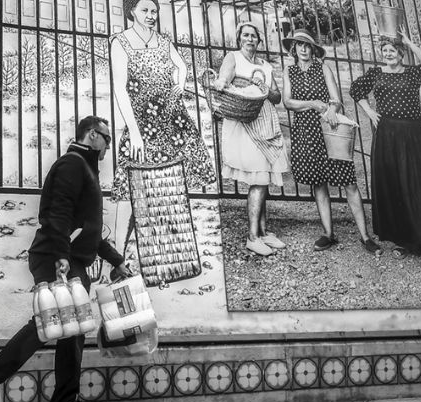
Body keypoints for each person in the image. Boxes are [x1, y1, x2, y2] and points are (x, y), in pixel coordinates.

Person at [0, 116, 131, 402]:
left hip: (67, 257)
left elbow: (89, 230)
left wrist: (116, 260)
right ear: (92, 135)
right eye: (107, 139)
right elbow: (58, 214)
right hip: (58, 258)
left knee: (67, 329)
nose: (109, 146)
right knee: (50, 325)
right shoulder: (72, 164)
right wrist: (62, 257)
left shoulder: (85, 168)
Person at [350, 26, 421, 258]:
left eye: (392, 50)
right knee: (394, 184)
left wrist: (409, 42)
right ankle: (401, 241)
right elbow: (356, 90)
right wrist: (369, 112)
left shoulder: (412, 73)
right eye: (384, 50)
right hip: (387, 135)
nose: (388, 54)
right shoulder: (376, 73)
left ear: (400, 53)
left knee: (417, 184)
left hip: (413, 134)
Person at [282, 29, 381, 254]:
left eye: (307, 45)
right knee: (318, 182)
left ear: (313, 49)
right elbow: (287, 102)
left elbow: (336, 100)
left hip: (330, 128)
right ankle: (328, 233)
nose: (303, 49)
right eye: (299, 45)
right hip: (306, 131)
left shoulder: (323, 68)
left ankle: (365, 237)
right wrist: (313, 104)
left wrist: (330, 109)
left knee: (348, 181)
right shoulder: (289, 71)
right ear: (294, 48)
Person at [109, 0, 216, 202]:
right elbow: (120, 88)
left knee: (173, 184)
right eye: (145, 10)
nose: (151, 16)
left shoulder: (163, 41)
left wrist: (180, 85)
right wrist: (134, 131)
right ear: (132, 11)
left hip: (174, 119)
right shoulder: (120, 42)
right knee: (143, 186)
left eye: (154, 11)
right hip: (143, 122)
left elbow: (182, 66)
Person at [212, 22, 289, 257]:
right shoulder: (233, 57)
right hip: (246, 123)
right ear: (239, 39)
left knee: (263, 178)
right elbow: (224, 79)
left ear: (258, 40)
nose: (249, 39)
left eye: (253, 36)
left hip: (266, 123)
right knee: (258, 179)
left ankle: (263, 232)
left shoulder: (265, 66)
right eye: (245, 35)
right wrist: (221, 83)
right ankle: (252, 237)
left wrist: (263, 85)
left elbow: (276, 97)